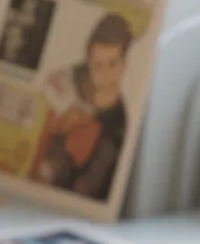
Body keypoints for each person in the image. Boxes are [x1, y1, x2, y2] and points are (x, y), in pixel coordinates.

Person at [35, 12, 134, 201]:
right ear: (88, 61)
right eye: (97, 65)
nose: (103, 73)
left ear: (124, 65)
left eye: (112, 64)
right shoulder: (73, 79)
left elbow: (87, 187)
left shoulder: (116, 129)